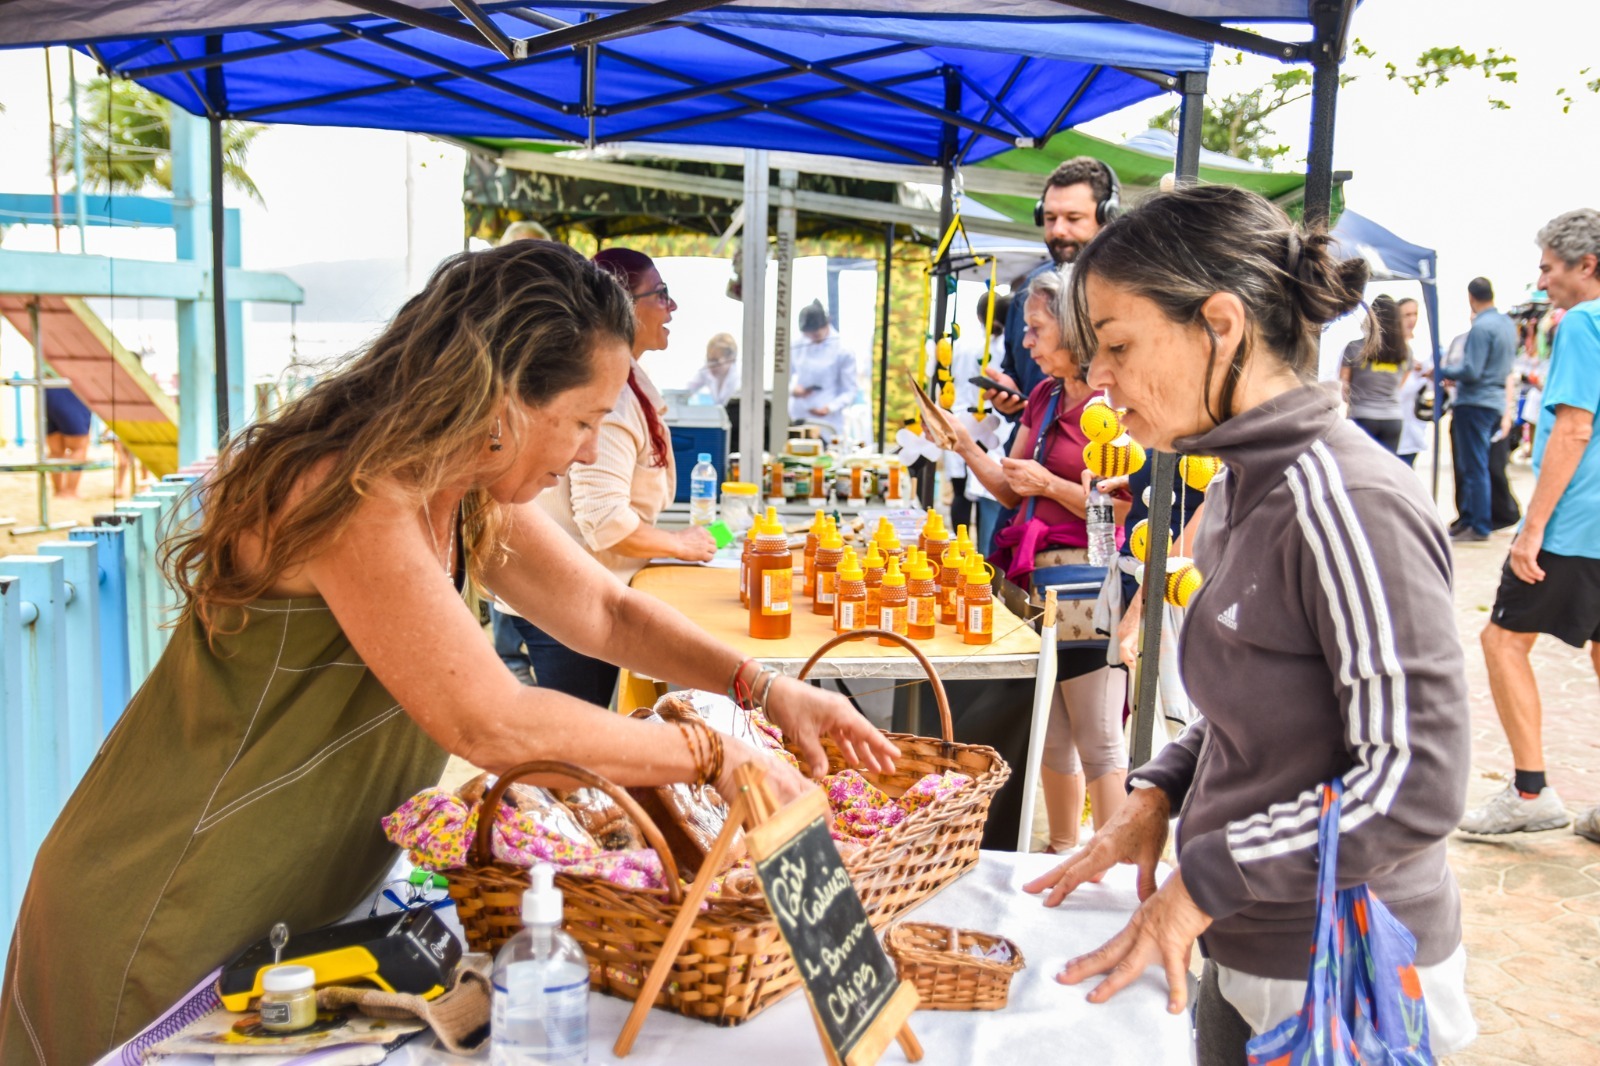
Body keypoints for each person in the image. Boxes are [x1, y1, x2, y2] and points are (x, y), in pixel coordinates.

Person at [0, 241, 896, 1063]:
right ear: (504, 397)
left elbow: (608, 614)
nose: (587, 449)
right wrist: (709, 752)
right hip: (171, 907)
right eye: (581, 421)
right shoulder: (348, 491)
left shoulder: (460, 485)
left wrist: (765, 691)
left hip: (295, 911)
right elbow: (492, 722)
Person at [1025, 186, 1475, 1062]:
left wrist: (1203, 880)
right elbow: (1261, 707)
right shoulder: (1237, 482)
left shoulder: (1346, 499)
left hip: (1341, 968)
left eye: (1117, 346)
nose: (1100, 379)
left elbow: (1414, 778)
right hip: (1247, 941)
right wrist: (1157, 792)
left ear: (1221, 326)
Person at [932, 269, 1132, 852]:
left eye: (1036, 328)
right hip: (1039, 581)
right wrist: (964, 443)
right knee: (1053, 728)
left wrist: (1053, 484)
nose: (1025, 342)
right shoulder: (1044, 398)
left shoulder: (1108, 407)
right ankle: (1064, 846)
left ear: (1072, 327)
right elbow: (1013, 491)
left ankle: (1115, 865)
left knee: (1095, 728)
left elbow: (1118, 514)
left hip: (1084, 579)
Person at [493, 247, 717, 705]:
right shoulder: (612, 399)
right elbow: (604, 519)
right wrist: (681, 544)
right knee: (574, 744)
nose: (672, 307)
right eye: (661, 295)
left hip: (580, 590)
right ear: (620, 307)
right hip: (564, 598)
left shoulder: (623, 386)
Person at [1459, 208, 1600, 842]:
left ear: (1585, 266)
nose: (1542, 282)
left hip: (1576, 519)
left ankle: (1529, 791)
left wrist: (1531, 528)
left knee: (1501, 641)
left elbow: (1573, 427)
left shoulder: (1584, 323)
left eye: (1548, 267)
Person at [975, 157, 1119, 553]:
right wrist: (1009, 397)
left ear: (1107, 217)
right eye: (1050, 218)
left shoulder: (1128, 300)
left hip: (1093, 536)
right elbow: (1018, 378)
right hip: (1027, 501)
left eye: (1073, 217)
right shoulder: (1029, 293)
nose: (1059, 231)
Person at [1439, 277, 1518, 542]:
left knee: (1473, 468)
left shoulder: (1481, 327)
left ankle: (1478, 524)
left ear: (1471, 297)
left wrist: (1441, 371)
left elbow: (1471, 370)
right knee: (1481, 465)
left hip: (1474, 403)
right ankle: (1474, 520)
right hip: (1494, 402)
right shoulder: (1507, 324)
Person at [946, 294, 1010, 533]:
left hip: (963, 419)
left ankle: (961, 549)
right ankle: (974, 551)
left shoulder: (963, 345)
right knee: (986, 492)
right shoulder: (1003, 346)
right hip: (989, 424)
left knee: (965, 492)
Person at [1339, 293, 1411, 453]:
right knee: (1387, 473)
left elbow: (1343, 388)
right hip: (1393, 419)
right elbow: (1400, 386)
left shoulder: (1354, 347)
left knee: (1361, 471)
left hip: (1362, 418)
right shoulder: (1406, 352)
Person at [788, 299, 858, 442]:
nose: (811, 338)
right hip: (798, 415)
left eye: (816, 334)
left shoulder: (843, 350)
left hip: (827, 419)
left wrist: (830, 408)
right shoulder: (797, 345)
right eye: (808, 334)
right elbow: (782, 378)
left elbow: (850, 390)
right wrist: (793, 390)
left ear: (826, 325)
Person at [1396, 296, 1432, 467]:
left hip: (1414, 424)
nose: (1412, 319)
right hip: (1392, 420)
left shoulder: (1423, 346)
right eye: (1406, 315)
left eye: (1415, 314)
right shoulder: (1389, 348)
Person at [44, 382, 93, 499]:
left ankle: (58, 490)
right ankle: (70, 491)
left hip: (48, 388)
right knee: (78, 447)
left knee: (55, 450)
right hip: (72, 388)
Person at [683, 331, 740, 405]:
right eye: (709, 360)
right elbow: (687, 391)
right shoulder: (706, 371)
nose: (711, 366)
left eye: (715, 361)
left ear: (730, 360)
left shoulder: (740, 380)